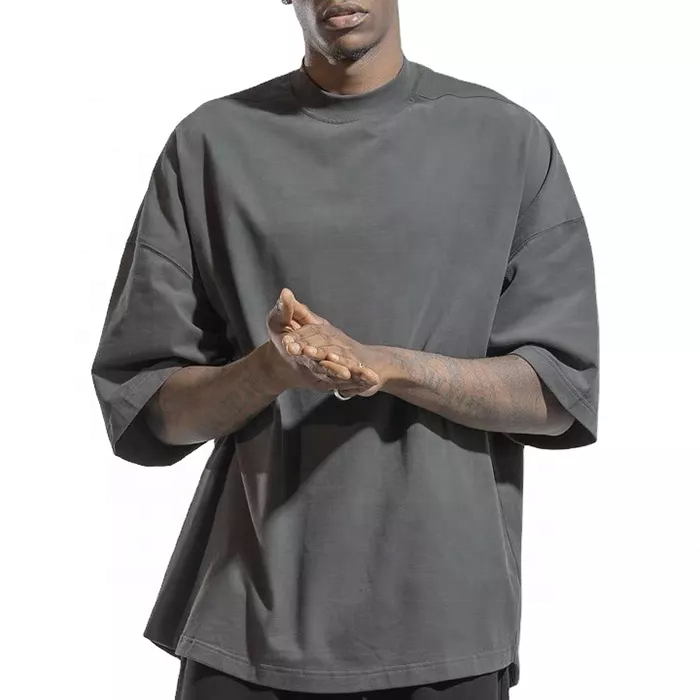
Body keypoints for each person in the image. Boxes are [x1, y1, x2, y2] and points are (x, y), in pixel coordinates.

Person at [90, 1, 600, 698]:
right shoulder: (210, 144)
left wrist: (390, 366)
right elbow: (152, 409)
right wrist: (270, 369)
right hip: (249, 623)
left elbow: (556, 394)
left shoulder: (506, 140)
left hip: (443, 620)